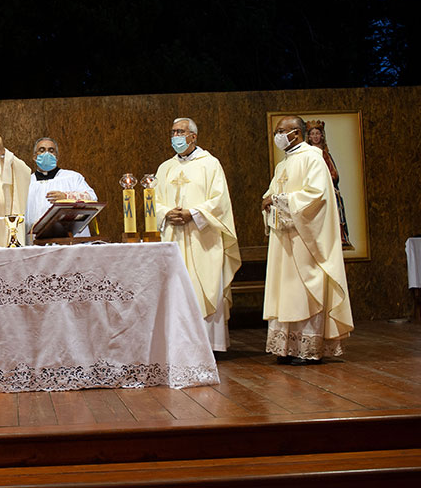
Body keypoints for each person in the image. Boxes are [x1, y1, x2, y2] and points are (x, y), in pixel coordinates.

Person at [262, 116, 354, 365]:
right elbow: (272, 192)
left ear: (297, 133)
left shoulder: (313, 157)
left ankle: (308, 347)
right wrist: (268, 201)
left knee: (305, 290)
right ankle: (286, 347)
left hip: (306, 239)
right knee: (286, 292)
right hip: (285, 237)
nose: (278, 135)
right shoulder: (284, 163)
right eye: (276, 131)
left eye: (282, 131)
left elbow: (316, 196)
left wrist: (279, 200)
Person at [151, 118, 241, 351]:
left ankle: (210, 345)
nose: (175, 136)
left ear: (193, 136)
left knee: (205, 287)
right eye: (173, 132)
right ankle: (179, 345)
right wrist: (166, 213)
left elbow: (220, 201)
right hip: (173, 238)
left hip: (204, 239)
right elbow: (154, 202)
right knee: (176, 290)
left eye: (180, 132)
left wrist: (193, 213)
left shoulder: (210, 164)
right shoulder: (165, 168)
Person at [25, 137, 97, 242]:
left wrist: (67, 197)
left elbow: (92, 199)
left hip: (70, 242)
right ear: (34, 157)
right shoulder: (26, 183)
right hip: (36, 243)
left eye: (51, 150)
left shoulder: (72, 178)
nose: (46, 154)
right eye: (42, 150)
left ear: (57, 157)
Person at [305, 120, 353, 249]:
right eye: (312, 134)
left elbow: (334, 174)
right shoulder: (306, 156)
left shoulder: (325, 154)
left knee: (337, 205)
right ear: (308, 137)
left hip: (328, 189)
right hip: (313, 190)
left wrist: (327, 179)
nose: (315, 136)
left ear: (322, 136)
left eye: (317, 133)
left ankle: (340, 237)